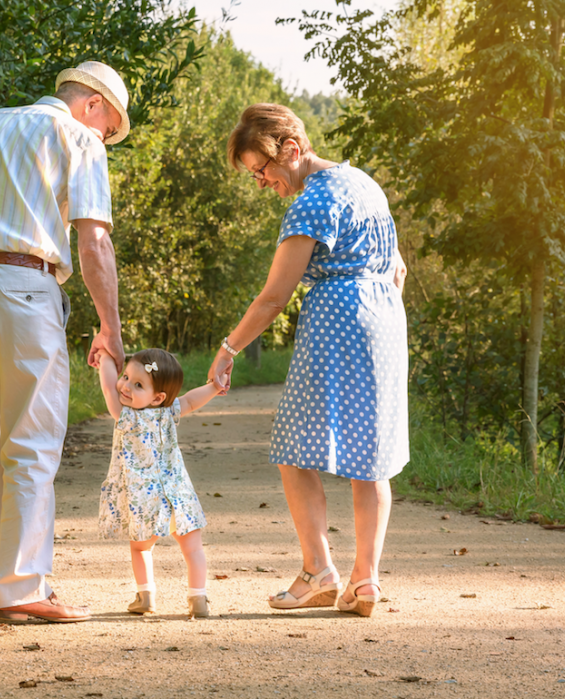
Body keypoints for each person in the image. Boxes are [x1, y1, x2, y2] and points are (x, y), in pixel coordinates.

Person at [0, 61, 131, 624]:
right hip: (24, 284)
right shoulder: (77, 137)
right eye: (109, 127)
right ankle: (21, 589)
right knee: (32, 442)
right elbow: (94, 241)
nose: (105, 137)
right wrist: (109, 328)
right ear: (92, 105)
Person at [208, 103, 409, 618]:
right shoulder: (363, 182)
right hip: (385, 320)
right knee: (372, 456)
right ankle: (365, 581)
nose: (261, 182)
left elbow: (275, 296)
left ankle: (318, 571)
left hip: (336, 321)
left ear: (292, 150)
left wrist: (228, 350)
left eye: (262, 170)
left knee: (294, 448)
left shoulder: (310, 203)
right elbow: (399, 269)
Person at [95, 348, 228, 618]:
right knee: (193, 547)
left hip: (145, 500)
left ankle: (146, 596)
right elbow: (190, 400)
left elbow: (109, 390)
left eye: (138, 384)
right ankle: (198, 598)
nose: (125, 386)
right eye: (125, 377)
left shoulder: (127, 416)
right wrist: (214, 387)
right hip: (178, 492)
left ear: (158, 397)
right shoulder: (168, 411)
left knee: (141, 547)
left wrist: (105, 358)